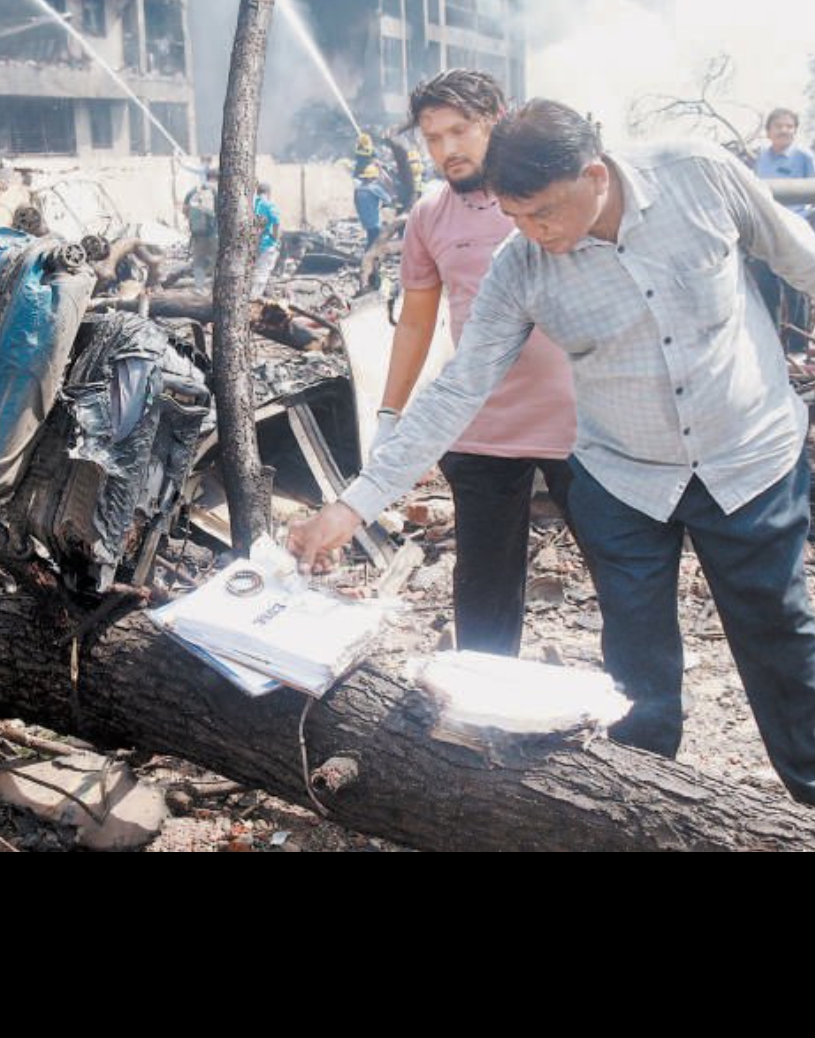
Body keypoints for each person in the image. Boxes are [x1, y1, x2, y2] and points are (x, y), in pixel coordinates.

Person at [289, 100, 815, 806]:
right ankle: (646, 807)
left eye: (544, 214)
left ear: (594, 175)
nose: (534, 234)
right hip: (624, 479)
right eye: (516, 218)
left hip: (750, 458)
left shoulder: (700, 176)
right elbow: (457, 389)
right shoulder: (521, 267)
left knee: (782, 642)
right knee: (636, 670)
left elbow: (799, 259)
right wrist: (353, 505)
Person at [374, 72, 577, 656]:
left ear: (497, 117)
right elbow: (415, 320)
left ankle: (637, 735)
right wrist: (390, 412)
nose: (446, 151)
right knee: (484, 594)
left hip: (580, 426)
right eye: (433, 138)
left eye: (459, 131)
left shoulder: (549, 195)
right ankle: (485, 724)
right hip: (481, 428)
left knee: (624, 577)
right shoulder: (429, 215)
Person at [754, 109, 815, 342]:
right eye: (779, 126)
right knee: (767, 287)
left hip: (795, 229)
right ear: (768, 132)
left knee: (796, 289)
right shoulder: (762, 158)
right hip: (767, 229)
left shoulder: (804, 157)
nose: (785, 130)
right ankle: (771, 344)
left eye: (790, 126)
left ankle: (798, 347)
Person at [185, 166, 220, 290]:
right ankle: (215, 289)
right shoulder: (219, 190)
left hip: (198, 233)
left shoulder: (194, 190)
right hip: (215, 233)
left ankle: (198, 287)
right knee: (218, 261)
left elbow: (185, 210)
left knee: (199, 261)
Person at [253, 184, 282, 296]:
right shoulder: (270, 205)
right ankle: (254, 298)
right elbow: (276, 222)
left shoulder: (252, 204)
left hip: (251, 243)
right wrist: (276, 238)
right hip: (266, 243)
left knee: (253, 271)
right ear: (269, 193)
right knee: (262, 272)